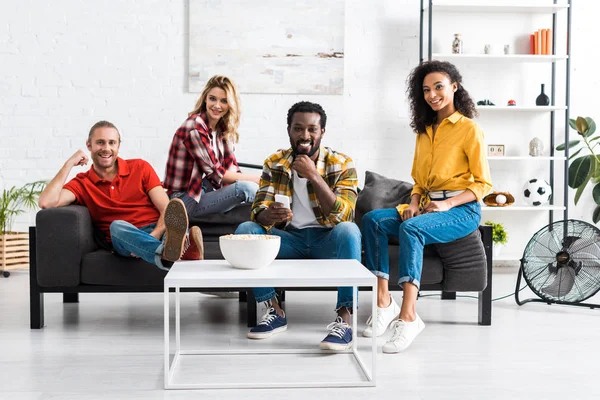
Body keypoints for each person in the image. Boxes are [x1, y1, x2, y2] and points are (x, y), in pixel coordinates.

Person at [361, 60, 492, 353]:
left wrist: (447, 205)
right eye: (426, 90)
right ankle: (384, 302)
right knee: (372, 220)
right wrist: (413, 202)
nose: (432, 95)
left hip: (462, 209)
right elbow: (419, 180)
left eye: (439, 87)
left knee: (412, 229)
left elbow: (483, 184)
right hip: (428, 205)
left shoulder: (470, 129)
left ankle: (409, 317)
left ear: (454, 87)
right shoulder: (424, 131)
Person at [234, 101, 362, 351]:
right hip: (289, 240)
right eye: (298, 128)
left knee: (350, 231)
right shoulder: (275, 162)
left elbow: (344, 216)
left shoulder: (342, 163)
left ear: (322, 132)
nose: (305, 136)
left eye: (312, 129)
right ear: (289, 130)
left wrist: (314, 175)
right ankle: (274, 310)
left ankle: (345, 320)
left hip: (327, 240)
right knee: (245, 231)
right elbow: (256, 213)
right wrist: (268, 215)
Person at [38, 120, 200, 270]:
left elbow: (167, 209)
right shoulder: (82, 183)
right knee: (116, 226)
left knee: (173, 227)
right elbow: (46, 202)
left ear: (118, 146)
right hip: (124, 239)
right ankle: (174, 253)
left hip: (158, 230)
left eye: (111, 143)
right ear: (89, 145)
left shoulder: (140, 167)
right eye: (100, 142)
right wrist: (69, 164)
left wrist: (154, 235)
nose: (106, 148)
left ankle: (171, 251)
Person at [163, 75, 259, 221]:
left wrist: (260, 182)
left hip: (203, 189)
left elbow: (232, 168)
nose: (217, 105)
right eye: (212, 98)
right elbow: (217, 174)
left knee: (249, 187)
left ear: (230, 104)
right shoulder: (195, 127)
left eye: (224, 101)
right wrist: (258, 179)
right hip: (184, 199)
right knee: (245, 189)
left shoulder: (221, 129)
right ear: (205, 99)